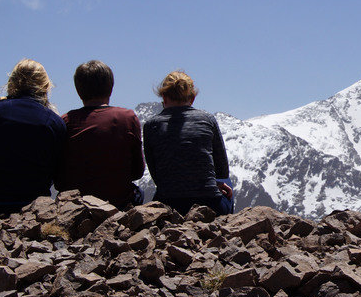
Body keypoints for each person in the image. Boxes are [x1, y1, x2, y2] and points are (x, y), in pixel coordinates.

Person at [0, 59, 66, 215]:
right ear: (46, 87)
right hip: (31, 204)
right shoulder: (54, 122)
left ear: (11, 83)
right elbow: (55, 168)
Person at [55, 60, 145, 209]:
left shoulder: (66, 121)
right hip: (118, 203)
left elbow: (59, 176)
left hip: (75, 207)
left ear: (78, 91)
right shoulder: (127, 118)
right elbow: (137, 172)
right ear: (111, 88)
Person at [143, 70, 234, 215]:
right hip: (210, 206)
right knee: (227, 183)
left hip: (168, 206)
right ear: (192, 98)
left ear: (164, 98)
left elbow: (156, 175)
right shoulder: (207, 120)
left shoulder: (151, 125)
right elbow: (222, 170)